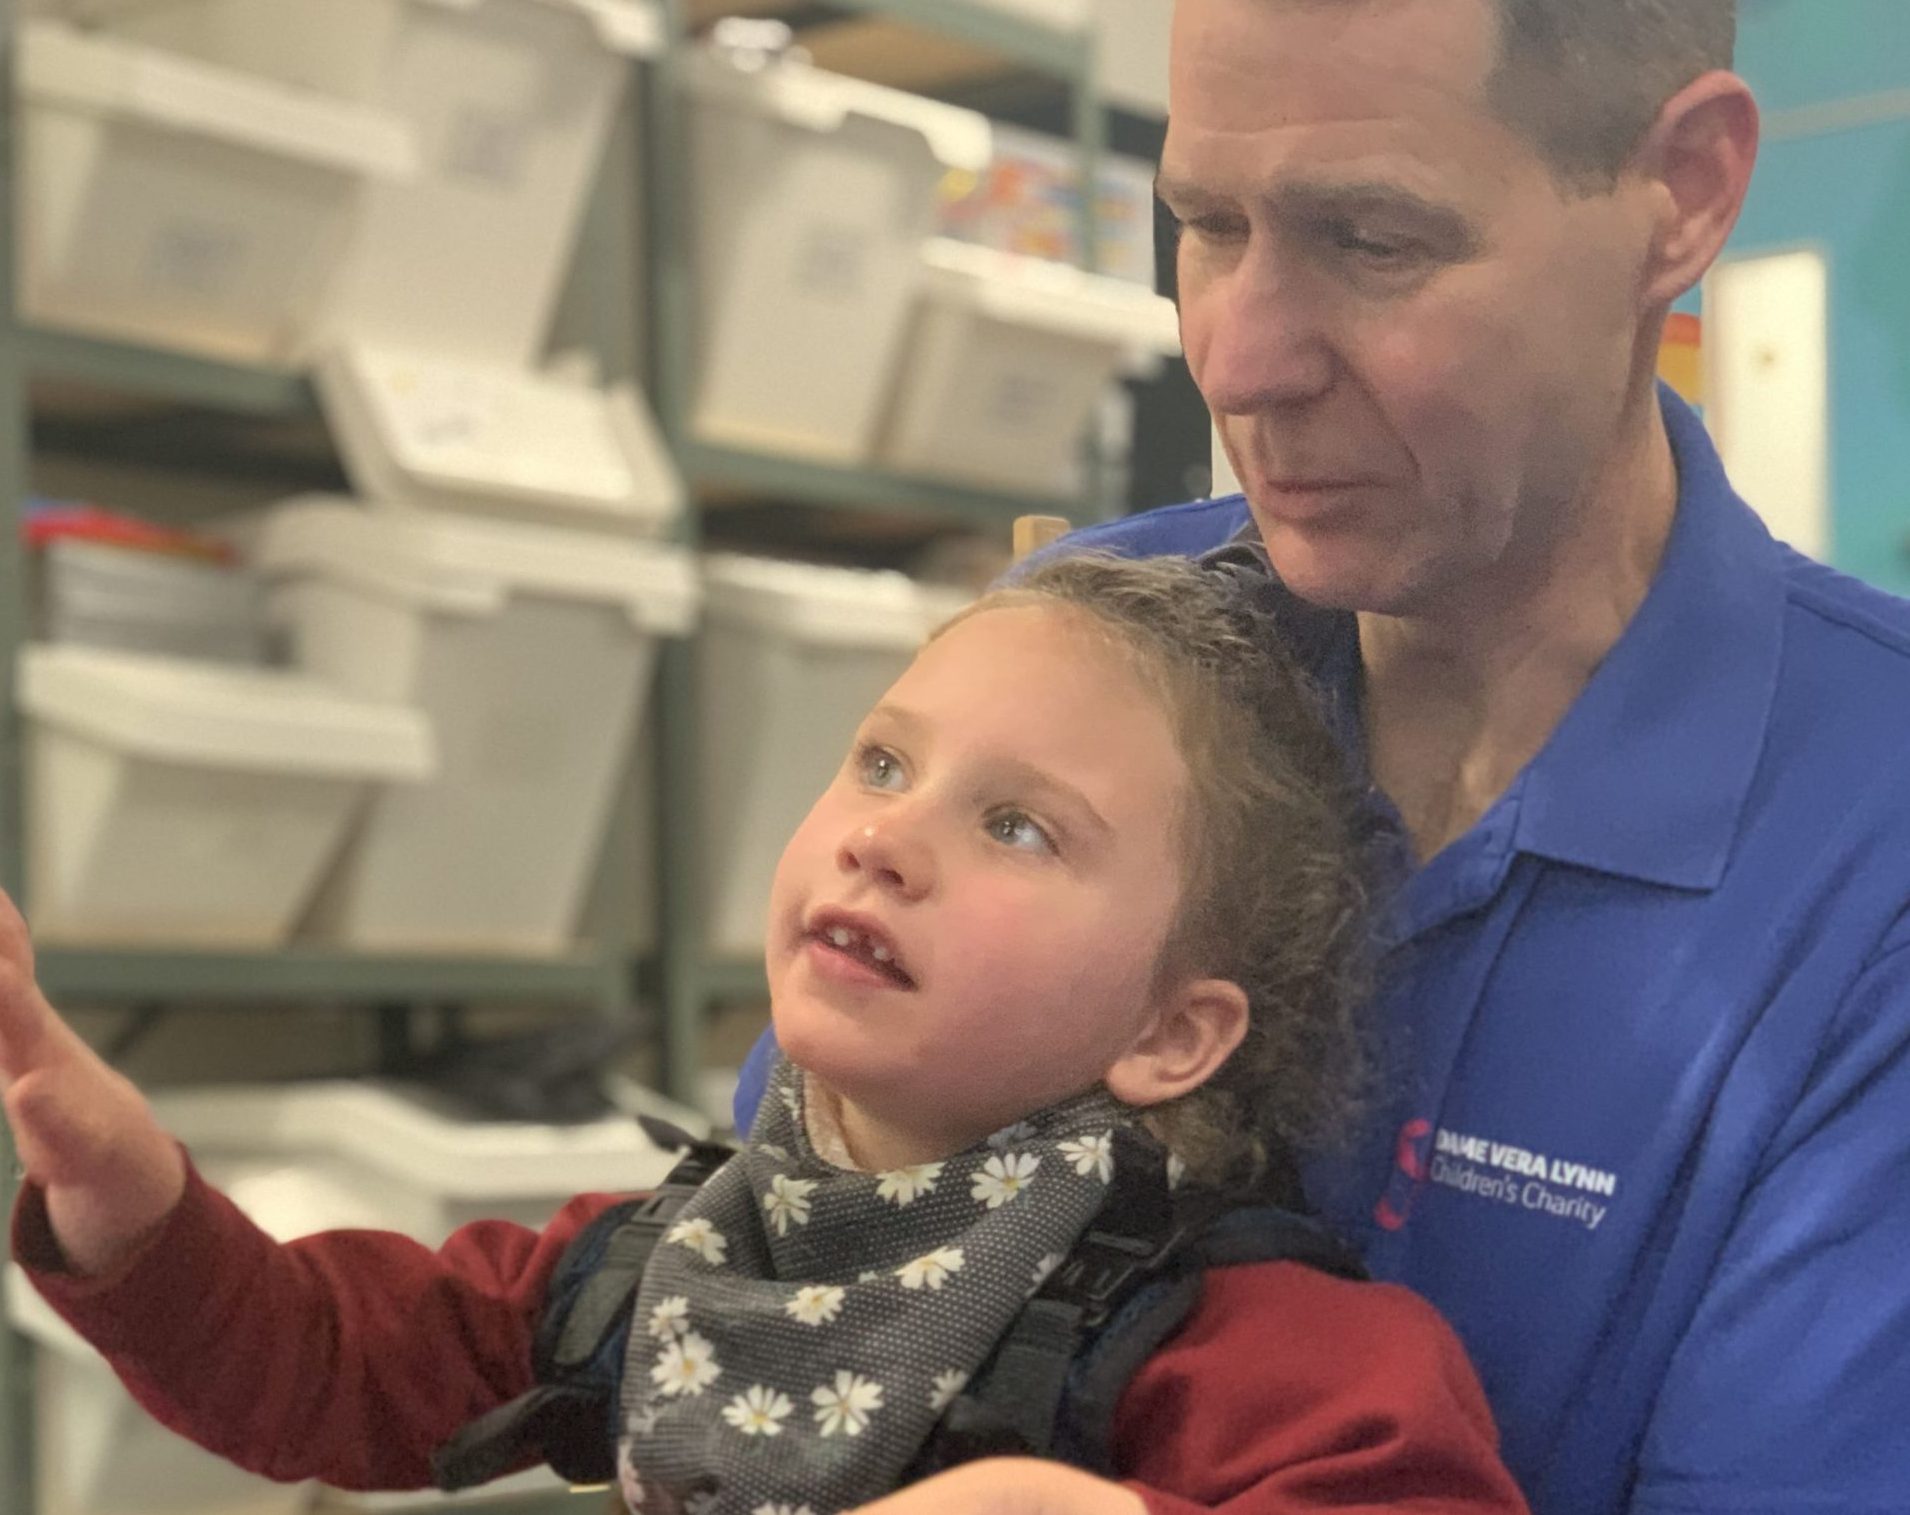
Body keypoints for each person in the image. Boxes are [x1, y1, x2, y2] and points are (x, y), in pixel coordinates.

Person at [729, 2, 1910, 1512]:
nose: (1236, 359)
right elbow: (774, 1262)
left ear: (1677, 193)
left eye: (1367, 238)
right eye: (1204, 224)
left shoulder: (1867, 848)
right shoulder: (1086, 654)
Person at [4, 554, 1531, 1515]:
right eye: (880, 762)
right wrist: (135, 1206)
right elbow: (328, 1369)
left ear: (1170, 1033)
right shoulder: (661, 1264)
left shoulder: (1243, 1342)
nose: (887, 840)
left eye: (1015, 826)